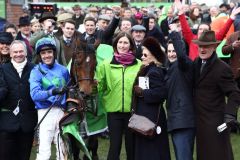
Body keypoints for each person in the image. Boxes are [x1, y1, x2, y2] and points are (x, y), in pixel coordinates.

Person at [192, 30, 240, 160]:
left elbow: (234, 93)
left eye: (206, 46)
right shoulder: (196, 62)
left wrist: (230, 115)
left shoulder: (221, 68)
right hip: (200, 120)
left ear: (214, 47)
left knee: (218, 154)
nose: (202, 49)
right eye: (200, 46)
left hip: (215, 122)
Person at [96, 32, 141, 160]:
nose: (122, 45)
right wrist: (94, 85)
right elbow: (100, 87)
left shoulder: (139, 65)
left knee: (131, 147)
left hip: (132, 112)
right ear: (115, 45)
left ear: (131, 46)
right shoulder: (106, 64)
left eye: (126, 42)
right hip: (114, 112)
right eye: (120, 42)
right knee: (114, 147)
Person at [29, 37, 70, 160]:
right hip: (45, 112)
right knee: (44, 151)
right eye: (43, 53)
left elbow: (69, 90)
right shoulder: (36, 71)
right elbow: (35, 94)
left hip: (62, 112)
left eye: (49, 52)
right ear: (39, 55)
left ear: (54, 53)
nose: (47, 55)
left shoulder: (63, 70)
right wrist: (53, 91)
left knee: (62, 150)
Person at [132, 37, 170, 160]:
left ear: (153, 55)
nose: (141, 57)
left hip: (152, 119)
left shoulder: (154, 72)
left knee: (152, 152)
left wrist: (143, 93)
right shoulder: (148, 70)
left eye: (144, 54)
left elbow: (161, 93)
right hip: (146, 118)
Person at [0, 40, 37, 160]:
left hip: (28, 121)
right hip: (7, 122)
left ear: (26, 52)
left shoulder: (35, 69)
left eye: (21, 51)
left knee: (24, 156)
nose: (18, 54)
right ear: (10, 54)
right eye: (15, 52)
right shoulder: (3, 69)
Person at [166, 31, 195, 160]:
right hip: (176, 120)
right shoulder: (169, 68)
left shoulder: (185, 65)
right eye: (169, 51)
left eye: (174, 51)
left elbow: (182, 57)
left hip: (183, 120)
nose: (172, 54)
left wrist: (174, 34)